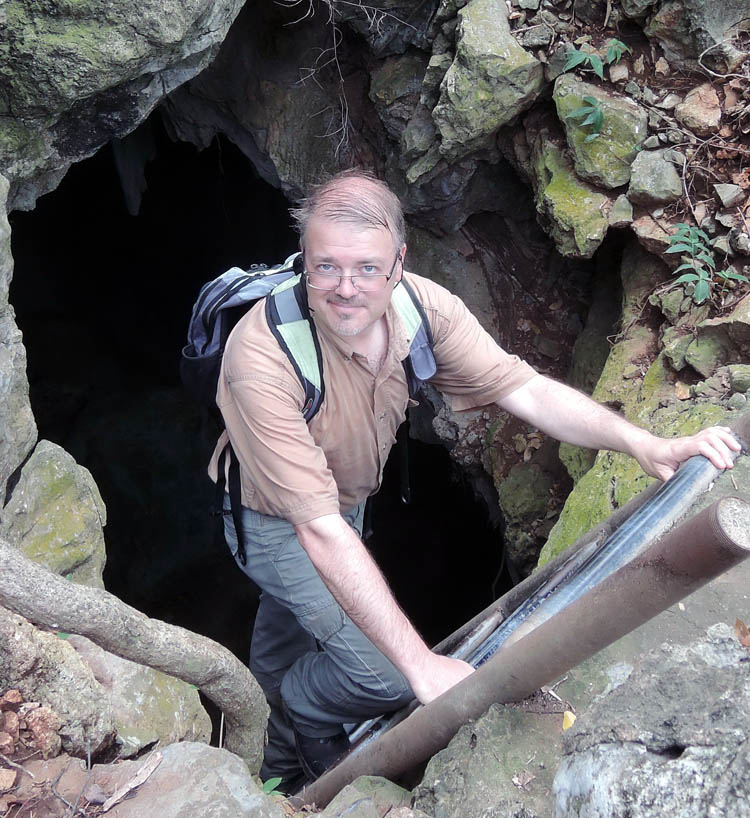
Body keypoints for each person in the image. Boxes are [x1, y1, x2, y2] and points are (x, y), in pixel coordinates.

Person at [208, 169, 740, 787]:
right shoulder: (262, 357)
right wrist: (419, 666)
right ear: (305, 261)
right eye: (325, 267)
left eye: (367, 268)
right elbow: (317, 530)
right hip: (279, 518)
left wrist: (644, 443)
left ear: (399, 262)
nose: (346, 288)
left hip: (342, 500)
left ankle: (272, 710)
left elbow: (526, 389)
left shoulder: (422, 308)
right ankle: (297, 720)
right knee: (379, 672)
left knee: (297, 617)